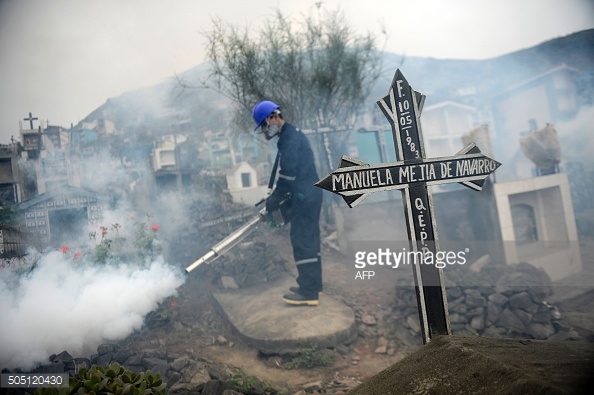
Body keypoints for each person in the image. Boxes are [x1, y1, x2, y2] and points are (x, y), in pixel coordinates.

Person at [252, 100, 323, 306]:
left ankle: (308, 292)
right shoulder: (290, 135)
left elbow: (289, 174)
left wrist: (275, 197)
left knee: (302, 241)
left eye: (265, 125)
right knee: (310, 240)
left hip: (305, 196)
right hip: (309, 194)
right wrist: (278, 196)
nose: (266, 131)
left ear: (274, 117)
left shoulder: (289, 138)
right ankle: (313, 285)